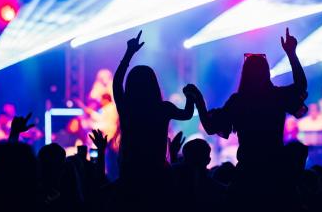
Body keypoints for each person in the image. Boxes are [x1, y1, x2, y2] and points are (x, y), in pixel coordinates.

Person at [186, 28, 308, 171]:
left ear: (245, 73)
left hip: (248, 170)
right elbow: (301, 86)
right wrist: (292, 54)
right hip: (275, 169)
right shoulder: (277, 96)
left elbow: (211, 127)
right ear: (266, 72)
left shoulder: (238, 101)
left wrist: (199, 100)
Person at [113, 30, 195, 175]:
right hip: (157, 171)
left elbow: (117, 82)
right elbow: (187, 114)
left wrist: (129, 53)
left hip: (130, 170)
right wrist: (190, 96)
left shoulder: (127, 108)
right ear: (154, 85)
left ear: (130, 85)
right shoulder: (163, 108)